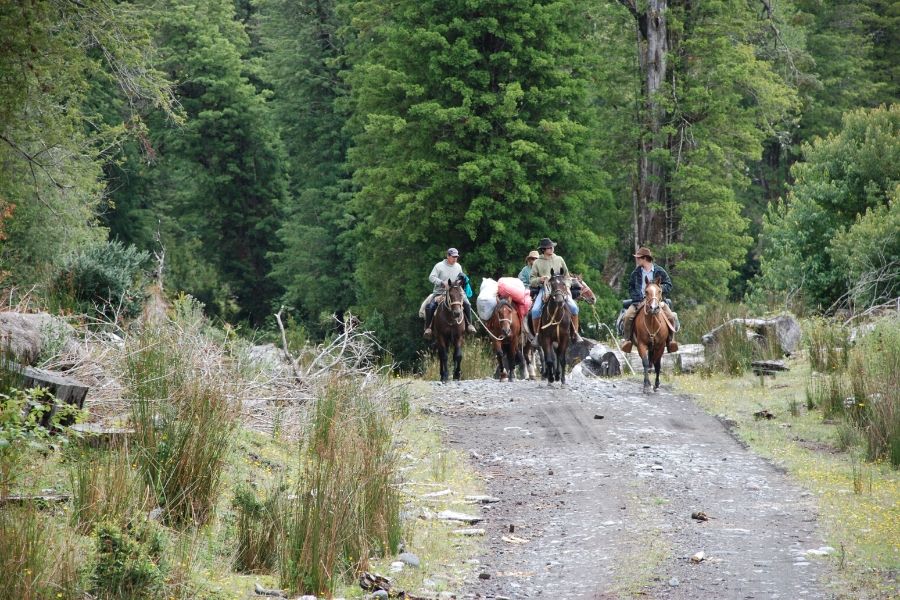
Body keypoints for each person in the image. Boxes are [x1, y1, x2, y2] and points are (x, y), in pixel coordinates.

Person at [620, 246, 679, 353]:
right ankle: (627, 341)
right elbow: (631, 287)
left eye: (639, 258)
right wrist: (638, 298)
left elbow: (668, 285)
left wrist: (658, 290)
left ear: (645, 258)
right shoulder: (635, 273)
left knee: (670, 316)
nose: (637, 260)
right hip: (639, 301)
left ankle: (671, 341)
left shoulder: (659, 271)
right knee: (627, 316)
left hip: (657, 300)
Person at [529, 238, 582, 343]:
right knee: (535, 311)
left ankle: (575, 333)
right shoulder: (537, 263)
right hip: (545, 289)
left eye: (552, 246)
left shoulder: (559, 259)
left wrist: (567, 285)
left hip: (560, 289)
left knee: (574, 308)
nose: (552, 248)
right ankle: (537, 336)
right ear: (544, 249)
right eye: (549, 247)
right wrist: (540, 279)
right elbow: (531, 280)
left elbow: (567, 276)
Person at [424, 247, 477, 338]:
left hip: (455, 292)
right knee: (430, 306)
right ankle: (428, 328)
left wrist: (462, 281)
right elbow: (431, 277)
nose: (455, 259)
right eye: (453, 257)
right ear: (448, 256)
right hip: (440, 292)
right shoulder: (439, 266)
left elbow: (459, 279)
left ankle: (469, 325)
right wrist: (441, 282)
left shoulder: (458, 266)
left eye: (456, 257)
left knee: (467, 304)